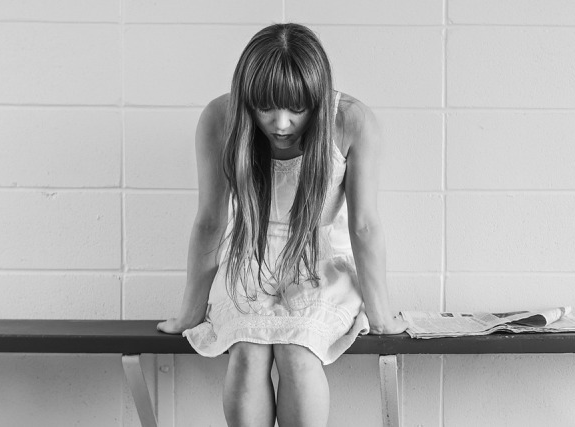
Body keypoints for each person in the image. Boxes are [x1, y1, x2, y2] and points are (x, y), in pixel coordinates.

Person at [154, 23, 409, 427]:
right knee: (247, 350)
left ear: (318, 100)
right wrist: (189, 314)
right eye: (266, 107)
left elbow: (364, 226)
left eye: (297, 109)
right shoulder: (219, 118)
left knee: (297, 351)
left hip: (321, 266)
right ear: (247, 99)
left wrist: (381, 317)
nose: (281, 123)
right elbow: (210, 222)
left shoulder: (351, 121)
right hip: (249, 262)